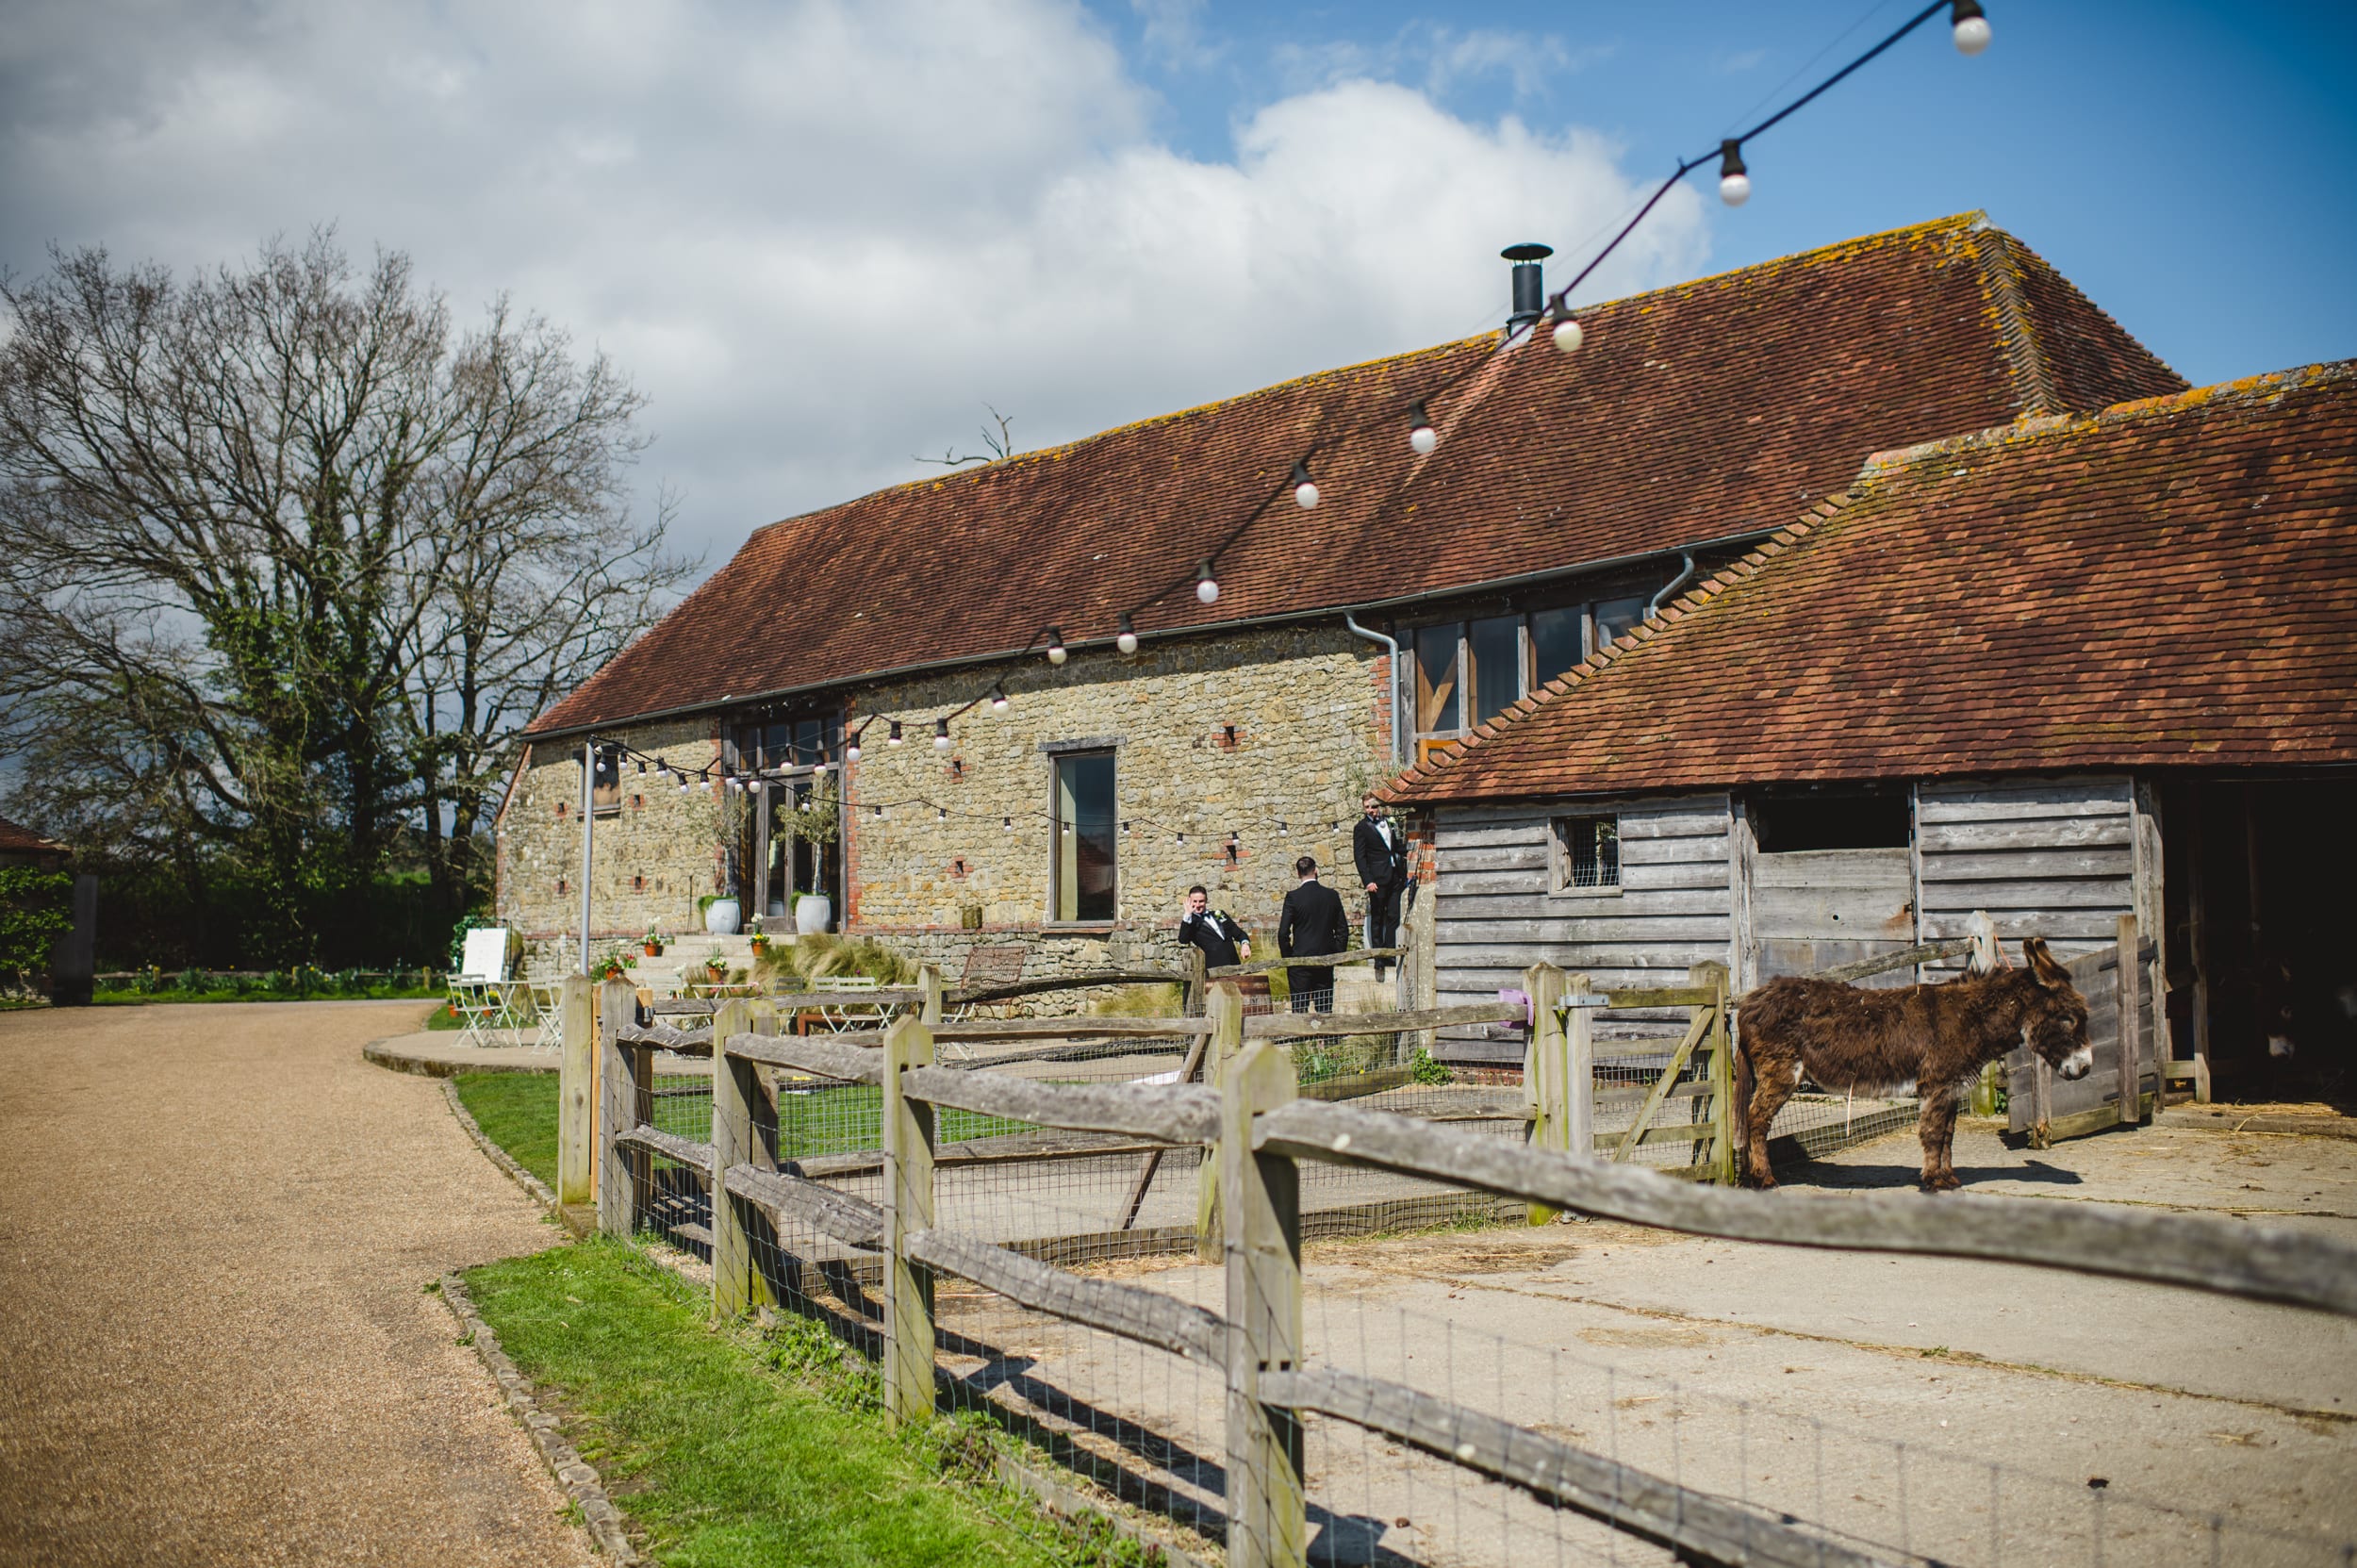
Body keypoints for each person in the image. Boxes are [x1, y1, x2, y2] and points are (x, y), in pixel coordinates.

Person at [1277, 855, 1348, 1013]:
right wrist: (1337, 953)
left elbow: (1283, 933)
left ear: (1298, 873)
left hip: (1300, 959)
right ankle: (1326, 1036)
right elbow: (1343, 929)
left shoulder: (1293, 897)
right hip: (1325, 958)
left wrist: (1289, 958)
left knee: (1300, 1008)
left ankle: (1302, 1036)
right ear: (1316, 871)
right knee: (1324, 1006)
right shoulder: (1331, 895)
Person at [1352, 794, 1409, 980]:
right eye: (1367, 807)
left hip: (1394, 875)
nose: (1370, 810)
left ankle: (1389, 953)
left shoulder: (1389, 822)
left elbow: (1396, 846)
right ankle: (1378, 957)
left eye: (1373, 807)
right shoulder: (1361, 828)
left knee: (1393, 915)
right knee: (1377, 917)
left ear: (1379, 807)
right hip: (1376, 879)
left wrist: (1409, 851)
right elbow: (1360, 857)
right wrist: (1368, 880)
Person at [1177, 884, 1250, 971]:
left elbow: (1239, 933)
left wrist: (1245, 944)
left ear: (1206, 900)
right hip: (1213, 969)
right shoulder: (1190, 922)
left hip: (1234, 966)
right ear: (1189, 901)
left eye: (1201, 901)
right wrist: (1187, 915)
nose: (1197, 905)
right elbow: (1183, 939)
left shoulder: (1219, 914)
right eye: (1194, 901)